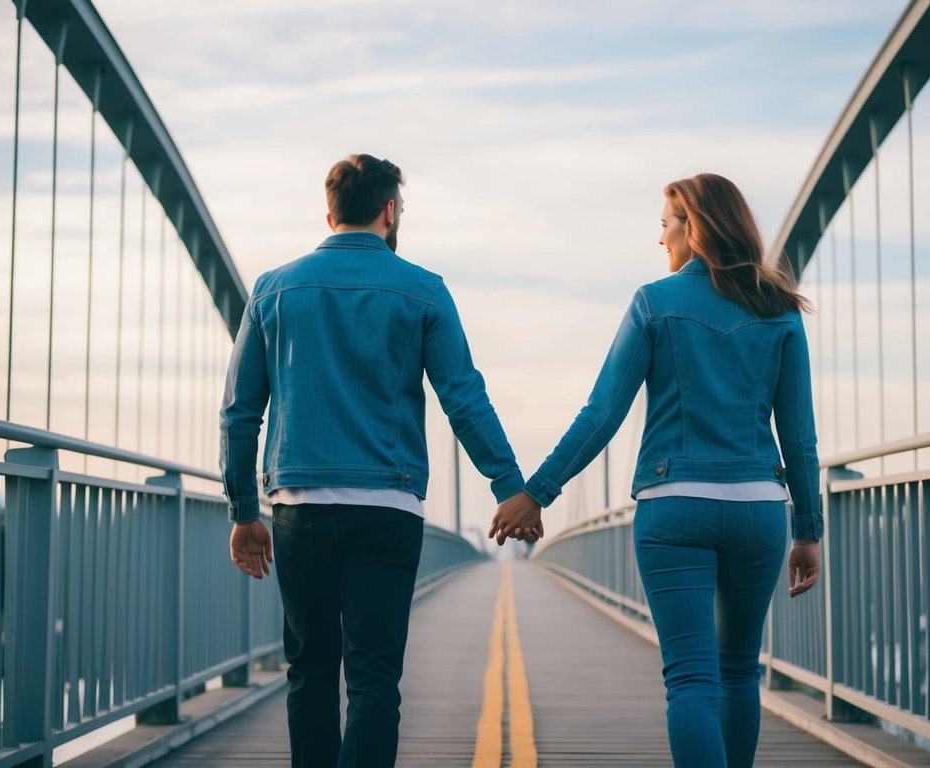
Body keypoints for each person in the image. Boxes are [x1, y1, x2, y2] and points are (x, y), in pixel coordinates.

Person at [220, 153, 543, 768]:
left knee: (309, 672)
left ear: (329, 212)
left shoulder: (273, 289)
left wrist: (243, 511)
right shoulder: (422, 289)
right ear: (390, 210)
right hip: (387, 509)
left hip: (298, 510)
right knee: (373, 680)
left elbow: (239, 411)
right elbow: (463, 398)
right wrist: (509, 486)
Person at [491, 172, 823, 768]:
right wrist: (809, 530)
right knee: (740, 671)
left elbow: (602, 414)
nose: (660, 240)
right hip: (758, 511)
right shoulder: (779, 310)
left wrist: (535, 493)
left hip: (673, 508)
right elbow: (798, 437)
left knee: (692, 679)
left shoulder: (655, 303)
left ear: (693, 228)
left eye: (665, 225)